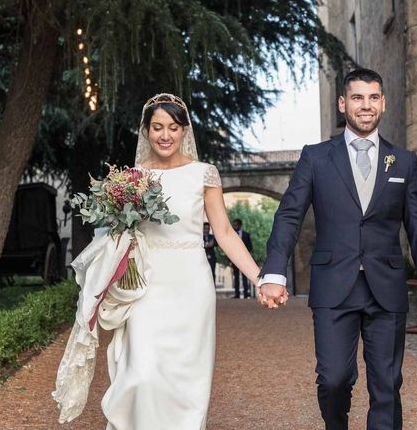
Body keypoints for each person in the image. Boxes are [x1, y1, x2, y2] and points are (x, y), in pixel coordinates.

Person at [56, 93, 262, 429]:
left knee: (187, 381)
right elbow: (121, 234)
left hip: (192, 285)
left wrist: (259, 278)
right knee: (143, 371)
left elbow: (224, 231)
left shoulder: (204, 174)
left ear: (184, 131)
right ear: (147, 131)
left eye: (172, 127)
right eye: (157, 128)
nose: (165, 135)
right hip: (146, 286)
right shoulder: (132, 179)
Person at [259, 68, 417, 430]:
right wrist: (275, 272)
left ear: (383, 103)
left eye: (373, 97)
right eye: (357, 98)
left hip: (386, 288)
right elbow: (289, 215)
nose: (366, 105)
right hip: (333, 286)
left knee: (387, 385)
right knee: (333, 379)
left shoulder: (403, 162)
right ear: (343, 104)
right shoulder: (316, 157)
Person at [231, 218, 253, 298]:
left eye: (236, 225)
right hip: (234, 259)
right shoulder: (231, 235)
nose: (234, 226)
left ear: (240, 225)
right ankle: (237, 294)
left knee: (245, 277)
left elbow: (250, 247)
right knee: (236, 277)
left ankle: (246, 294)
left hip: (244, 259)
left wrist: (244, 253)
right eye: (233, 225)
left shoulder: (246, 235)